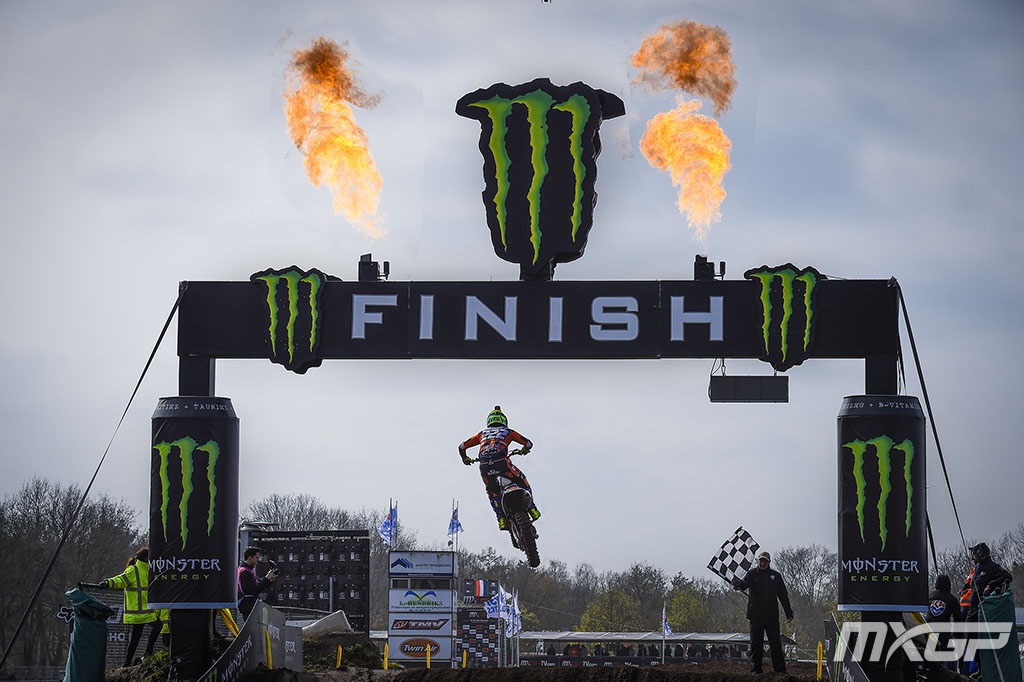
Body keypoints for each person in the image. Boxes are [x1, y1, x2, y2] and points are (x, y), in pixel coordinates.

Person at [458, 406, 540, 545]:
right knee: (522, 480)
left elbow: (461, 447)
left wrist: (465, 458)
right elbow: (528, 443)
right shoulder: (508, 432)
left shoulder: (481, 434)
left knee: (492, 491)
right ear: (504, 421)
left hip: (485, 466)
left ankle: (501, 519)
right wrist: (524, 450)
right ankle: (532, 509)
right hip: (502, 463)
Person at [81, 546, 161, 666]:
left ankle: (129, 661)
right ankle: (146, 653)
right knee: (154, 628)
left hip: (144, 612)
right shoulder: (134, 570)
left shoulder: (146, 570)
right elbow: (120, 580)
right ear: (146, 558)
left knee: (136, 637)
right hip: (140, 612)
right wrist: (108, 583)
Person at [731, 550, 794, 674]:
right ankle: (756, 669)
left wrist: (788, 613)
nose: (763, 563)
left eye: (765, 561)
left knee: (775, 643)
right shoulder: (751, 574)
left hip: (771, 616)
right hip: (756, 616)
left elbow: (783, 595)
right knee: (756, 644)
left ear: (769, 562)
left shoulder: (776, 576)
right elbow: (743, 585)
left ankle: (780, 670)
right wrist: (737, 584)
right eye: (761, 561)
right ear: (758, 561)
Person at [236, 546, 279, 621]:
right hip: (249, 606)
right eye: (256, 557)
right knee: (252, 627)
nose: (258, 560)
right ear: (250, 557)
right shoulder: (245, 572)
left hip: (249, 605)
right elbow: (252, 591)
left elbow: (255, 586)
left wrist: (268, 580)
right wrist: (266, 579)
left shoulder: (246, 570)